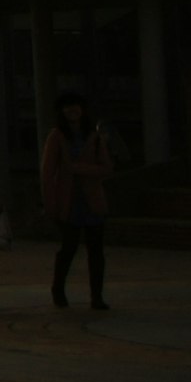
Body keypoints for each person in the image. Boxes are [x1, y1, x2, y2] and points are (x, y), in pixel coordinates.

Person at [42, 90, 114, 309]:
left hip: (91, 200)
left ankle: (97, 296)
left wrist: (80, 169)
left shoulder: (93, 137)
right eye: (67, 107)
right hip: (68, 201)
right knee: (69, 247)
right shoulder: (57, 136)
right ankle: (58, 289)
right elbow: (47, 171)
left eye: (75, 106)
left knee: (96, 251)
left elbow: (107, 167)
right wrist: (50, 203)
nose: (72, 111)